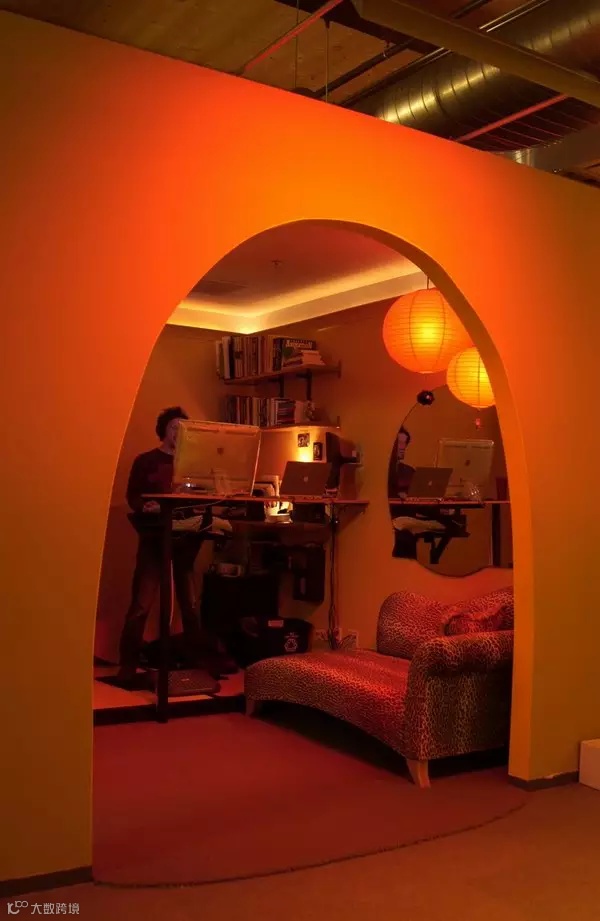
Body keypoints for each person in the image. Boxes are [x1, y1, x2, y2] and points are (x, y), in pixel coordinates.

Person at [117, 406, 234, 685]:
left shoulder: (195, 464)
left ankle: (197, 664)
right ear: (163, 430)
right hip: (154, 537)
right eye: (173, 427)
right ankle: (127, 667)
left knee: (190, 605)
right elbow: (133, 495)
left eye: (183, 428)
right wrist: (145, 505)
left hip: (185, 540)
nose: (178, 432)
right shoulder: (146, 460)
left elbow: (204, 495)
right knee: (141, 604)